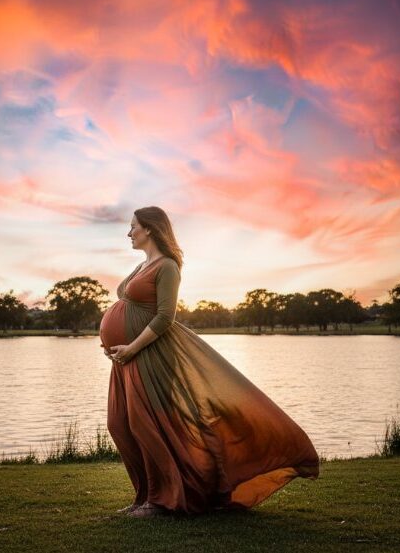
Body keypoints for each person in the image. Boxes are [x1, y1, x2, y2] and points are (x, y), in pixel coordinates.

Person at [99, 206, 320, 518]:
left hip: (148, 357)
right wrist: (109, 340)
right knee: (119, 424)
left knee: (144, 426)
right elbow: (129, 307)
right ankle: (144, 496)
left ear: (150, 228)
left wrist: (132, 346)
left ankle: (158, 502)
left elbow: (165, 317)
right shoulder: (141, 266)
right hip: (123, 359)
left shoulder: (168, 267)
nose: (129, 232)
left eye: (133, 226)